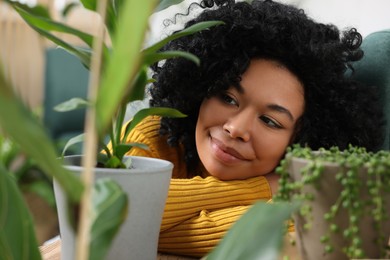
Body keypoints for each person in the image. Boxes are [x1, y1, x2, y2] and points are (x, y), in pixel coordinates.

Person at [123, 0, 384, 257]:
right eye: (227, 98)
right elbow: (105, 204)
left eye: (270, 121)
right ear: (201, 89)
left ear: (300, 139)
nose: (236, 128)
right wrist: (262, 188)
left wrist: (147, 225)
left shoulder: (297, 201)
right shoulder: (152, 135)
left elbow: (118, 217)